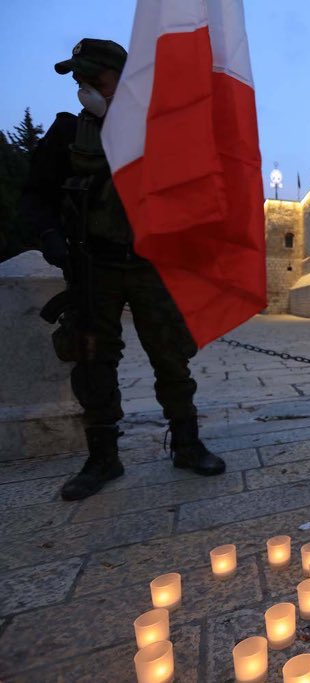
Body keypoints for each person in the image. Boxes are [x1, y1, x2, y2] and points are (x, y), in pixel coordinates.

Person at [19, 39, 224, 501]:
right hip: (96, 264)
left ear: (123, 80)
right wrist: (50, 237)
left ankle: (187, 444)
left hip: (152, 264)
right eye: (79, 81)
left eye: (95, 80)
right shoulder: (70, 134)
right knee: (92, 359)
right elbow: (34, 197)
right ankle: (102, 457)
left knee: (171, 355)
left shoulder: (159, 132)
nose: (84, 88)